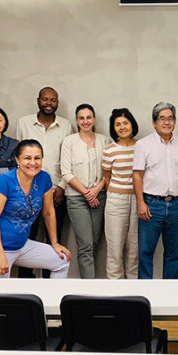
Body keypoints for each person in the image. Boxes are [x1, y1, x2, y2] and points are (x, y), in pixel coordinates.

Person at [0, 139, 71, 280]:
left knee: (62, 260)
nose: (33, 163)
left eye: (37, 158)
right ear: (17, 159)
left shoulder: (44, 178)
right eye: (27, 158)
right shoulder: (4, 181)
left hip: (21, 246)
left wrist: (55, 243)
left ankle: (51, 295)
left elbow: (49, 212)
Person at [16, 86, 74, 278]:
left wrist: (62, 187)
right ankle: (26, 280)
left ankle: (50, 281)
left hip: (56, 191)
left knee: (53, 239)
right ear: (38, 100)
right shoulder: (24, 123)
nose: (49, 103)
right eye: (45, 99)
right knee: (27, 237)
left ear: (57, 103)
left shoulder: (66, 126)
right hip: (28, 191)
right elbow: (19, 156)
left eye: (53, 100)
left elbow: (69, 159)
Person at [132, 102, 178, 279]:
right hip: (151, 205)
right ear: (154, 123)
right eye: (162, 118)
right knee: (145, 253)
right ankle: (145, 292)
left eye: (170, 118)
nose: (167, 122)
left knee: (174, 254)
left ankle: (170, 291)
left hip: (175, 206)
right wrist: (140, 203)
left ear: (174, 121)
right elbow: (137, 175)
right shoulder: (143, 145)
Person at [61, 104, 110, 279]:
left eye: (89, 117)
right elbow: (66, 172)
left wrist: (96, 190)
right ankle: (88, 288)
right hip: (76, 199)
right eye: (81, 118)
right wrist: (87, 193)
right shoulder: (69, 141)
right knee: (85, 245)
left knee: (95, 243)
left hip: (100, 197)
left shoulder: (105, 141)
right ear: (76, 120)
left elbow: (109, 171)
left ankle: (91, 282)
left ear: (94, 119)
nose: (85, 121)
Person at [102, 108, 140, 279]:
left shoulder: (142, 147)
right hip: (116, 201)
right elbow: (107, 178)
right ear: (113, 128)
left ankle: (134, 289)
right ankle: (115, 290)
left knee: (134, 249)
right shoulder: (109, 150)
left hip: (139, 200)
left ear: (132, 124)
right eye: (118, 124)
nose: (122, 127)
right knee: (115, 249)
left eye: (125, 123)